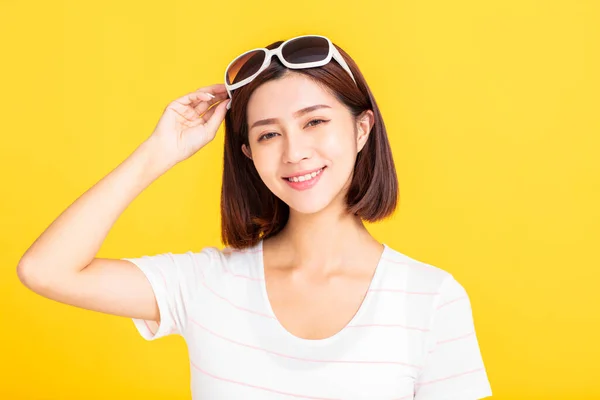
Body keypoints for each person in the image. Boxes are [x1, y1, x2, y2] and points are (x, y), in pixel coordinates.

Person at [17, 35, 492, 399]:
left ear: (362, 128)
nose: (295, 152)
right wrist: (159, 151)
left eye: (315, 122)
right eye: (268, 135)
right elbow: (45, 270)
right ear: (248, 153)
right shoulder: (207, 283)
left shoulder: (430, 299)